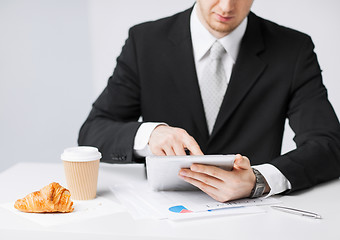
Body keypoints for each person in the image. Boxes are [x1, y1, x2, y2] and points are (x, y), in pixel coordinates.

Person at [78, 0, 340, 202]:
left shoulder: (293, 49)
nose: (227, 7)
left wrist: (259, 180)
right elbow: (92, 131)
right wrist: (149, 134)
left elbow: (329, 145)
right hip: (161, 214)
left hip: (255, 217)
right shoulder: (145, 42)